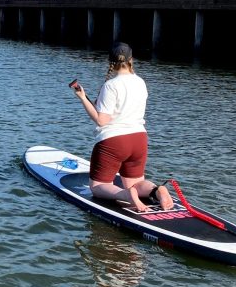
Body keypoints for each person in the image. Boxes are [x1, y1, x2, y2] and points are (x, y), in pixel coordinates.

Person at [72, 42, 173, 212]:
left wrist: (82, 99)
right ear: (131, 59)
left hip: (114, 142)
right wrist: (87, 96)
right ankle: (156, 191)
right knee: (135, 183)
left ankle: (125, 195)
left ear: (110, 62)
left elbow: (102, 120)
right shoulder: (141, 82)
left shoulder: (111, 85)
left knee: (98, 186)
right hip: (139, 139)